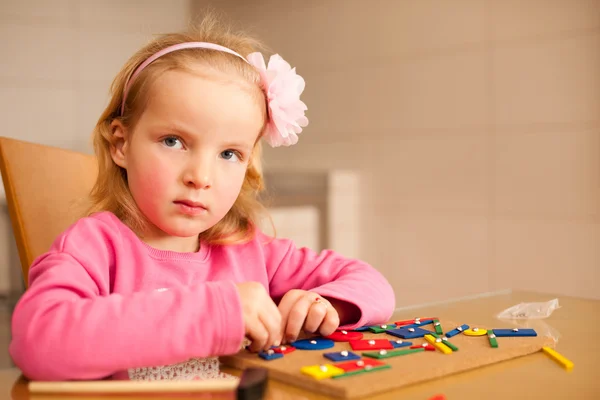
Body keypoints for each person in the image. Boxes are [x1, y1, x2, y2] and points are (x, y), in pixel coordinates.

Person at [9, 13, 395, 381]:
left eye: (229, 154)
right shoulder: (94, 248)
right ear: (121, 144)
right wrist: (218, 312)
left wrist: (329, 304)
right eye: (173, 141)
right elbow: (36, 342)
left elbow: (372, 284)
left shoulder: (250, 251)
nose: (200, 177)